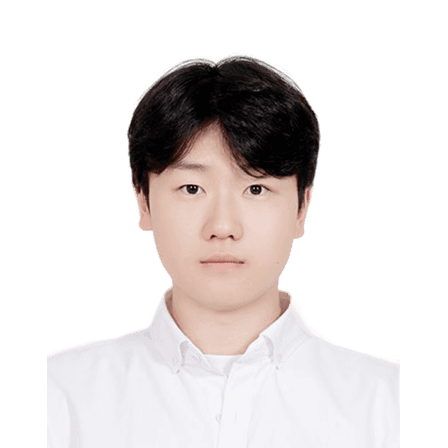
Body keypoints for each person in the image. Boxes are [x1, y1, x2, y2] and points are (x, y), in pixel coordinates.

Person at [47, 54, 400, 447]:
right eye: (192, 189)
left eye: (256, 188)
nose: (223, 227)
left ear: (302, 207)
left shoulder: (387, 404)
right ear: (143, 202)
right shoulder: (59, 396)